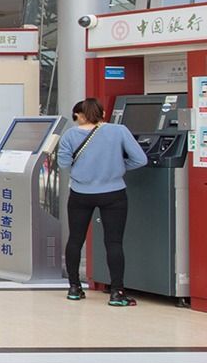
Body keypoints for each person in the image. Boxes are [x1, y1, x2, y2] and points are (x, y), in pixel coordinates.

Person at [57, 97, 148, 305]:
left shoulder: (70, 135)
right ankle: (117, 293)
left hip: (80, 193)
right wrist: (119, 167)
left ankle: (74, 288)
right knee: (114, 242)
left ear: (80, 115)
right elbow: (140, 159)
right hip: (113, 193)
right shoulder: (119, 131)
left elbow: (63, 163)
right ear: (103, 113)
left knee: (75, 240)